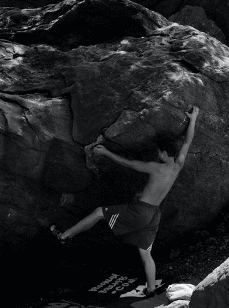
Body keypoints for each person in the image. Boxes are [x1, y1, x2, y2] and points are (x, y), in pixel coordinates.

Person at [51, 106, 200, 299]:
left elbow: (127, 163)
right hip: (154, 215)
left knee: (98, 212)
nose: (157, 155)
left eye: (158, 153)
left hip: (140, 212)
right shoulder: (178, 163)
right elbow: (188, 141)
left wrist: (106, 152)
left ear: (164, 152)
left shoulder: (155, 168)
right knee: (146, 254)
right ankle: (151, 290)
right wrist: (193, 119)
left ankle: (65, 236)